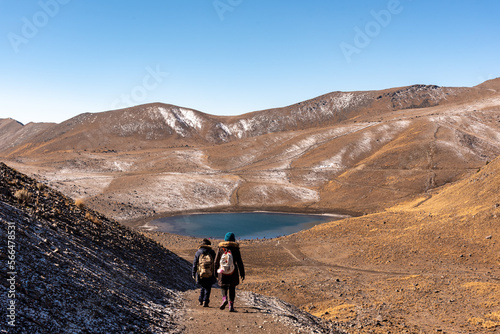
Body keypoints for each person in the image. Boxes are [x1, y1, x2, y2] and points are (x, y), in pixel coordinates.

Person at [214, 232, 245, 312]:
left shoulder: (220, 248)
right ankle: (231, 305)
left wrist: (215, 272)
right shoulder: (236, 249)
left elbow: (216, 262)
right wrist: (242, 273)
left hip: (222, 271)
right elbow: (239, 262)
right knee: (232, 287)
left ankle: (224, 299)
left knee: (223, 286)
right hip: (233, 272)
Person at [192, 238, 216, 307]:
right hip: (210, 273)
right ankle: (206, 301)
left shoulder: (198, 252)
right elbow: (215, 263)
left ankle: (200, 300)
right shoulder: (212, 252)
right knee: (208, 287)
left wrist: (193, 273)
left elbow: (194, 264)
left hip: (200, 273)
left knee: (203, 286)